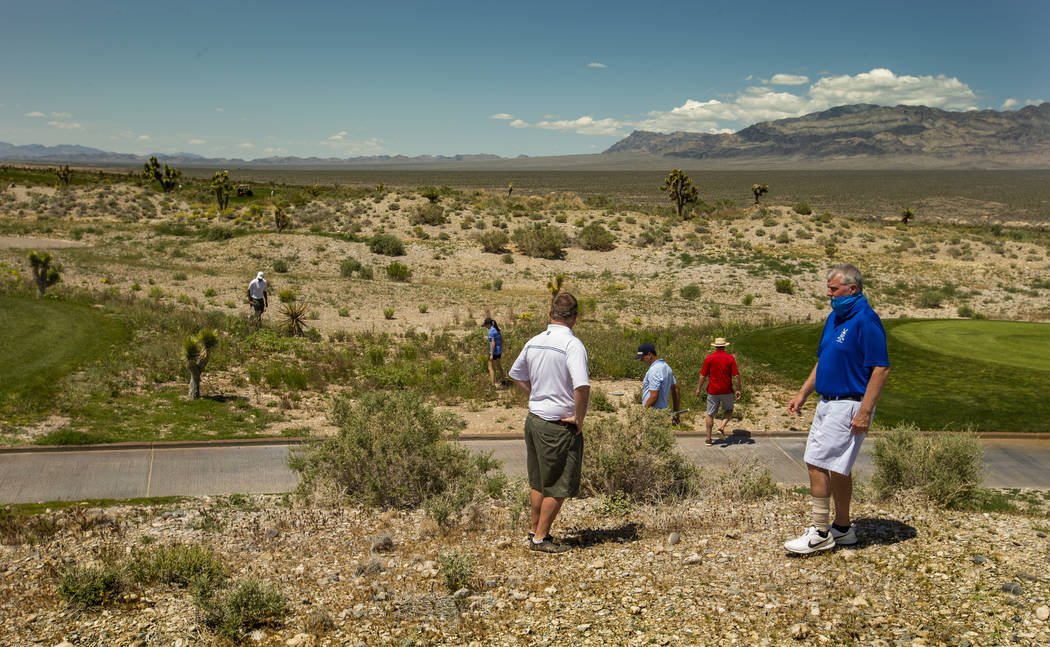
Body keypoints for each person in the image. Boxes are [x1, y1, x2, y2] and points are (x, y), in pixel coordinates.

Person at [784, 263, 890, 555]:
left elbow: (880, 368)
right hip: (826, 401)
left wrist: (865, 411)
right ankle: (842, 529)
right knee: (839, 467)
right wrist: (803, 393)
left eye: (833, 289)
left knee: (816, 461)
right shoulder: (834, 318)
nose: (828, 294)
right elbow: (824, 360)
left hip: (849, 403)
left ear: (852, 289)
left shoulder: (866, 320)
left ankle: (819, 531)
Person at [508, 292, 590, 554]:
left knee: (538, 481)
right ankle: (541, 538)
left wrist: (535, 395)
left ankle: (535, 529)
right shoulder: (572, 345)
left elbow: (515, 374)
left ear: (549, 313)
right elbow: (582, 386)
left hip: (534, 420)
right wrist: (579, 418)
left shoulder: (534, 342)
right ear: (575, 317)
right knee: (559, 483)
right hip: (558, 425)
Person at [695, 337, 742, 445]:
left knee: (710, 414)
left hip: (713, 391)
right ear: (725, 346)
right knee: (729, 410)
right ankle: (721, 427)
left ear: (715, 346)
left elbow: (703, 376)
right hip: (727, 390)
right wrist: (738, 389)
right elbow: (736, 376)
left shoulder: (709, 358)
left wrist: (698, 388)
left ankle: (708, 439)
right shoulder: (730, 358)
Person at [636, 342, 681, 424]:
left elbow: (653, 396)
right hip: (663, 413)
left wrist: (642, 414)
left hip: (653, 415)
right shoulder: (666, 367)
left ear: (649, 355)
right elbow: (676, 390)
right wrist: (676, 413)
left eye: (642, 357)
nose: (641, 360)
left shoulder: (654, 370)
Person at [483, 317, 505, 387]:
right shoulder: (497, 329)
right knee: (499, 366)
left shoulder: (491, 331)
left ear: (489, 324)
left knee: (490, 368)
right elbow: (501, 340)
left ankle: (492, 385)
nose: (485, 327)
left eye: (486, 325)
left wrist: (491, 354)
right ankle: (503, 381)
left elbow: (493, 343)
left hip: (493, 352)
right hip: (499, 351)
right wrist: (500, 349)